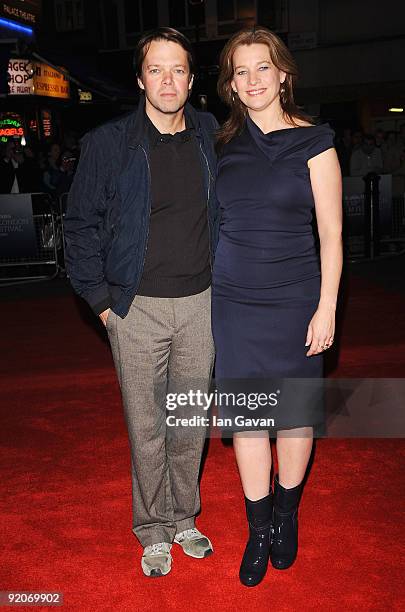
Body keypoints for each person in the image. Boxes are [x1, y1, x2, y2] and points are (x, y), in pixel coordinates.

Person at [63, 27, 219, 577]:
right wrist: (102, 303)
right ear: (139, 78)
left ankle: (184, 519)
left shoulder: (208, 133)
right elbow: (78, 226)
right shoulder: (109, 144)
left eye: (178, 69)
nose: (168, 80)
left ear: (192, 79)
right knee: (147, 426)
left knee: (190, 421)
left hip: (200, 303)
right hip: (135, 307)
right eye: (156, 69)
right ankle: (153, 530)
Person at [212, 27, 342, 587]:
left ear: (283, 74)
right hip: (234, 301)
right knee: (246, 420)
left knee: (292, 416)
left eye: (262, 68)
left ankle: (287, 513)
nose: (252, 80)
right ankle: (257, 527)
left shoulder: (316, 141)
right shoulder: (221, 146)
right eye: (241, 72)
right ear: (232, 85)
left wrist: (327, 306)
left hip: (295, 299)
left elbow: (333, 236)